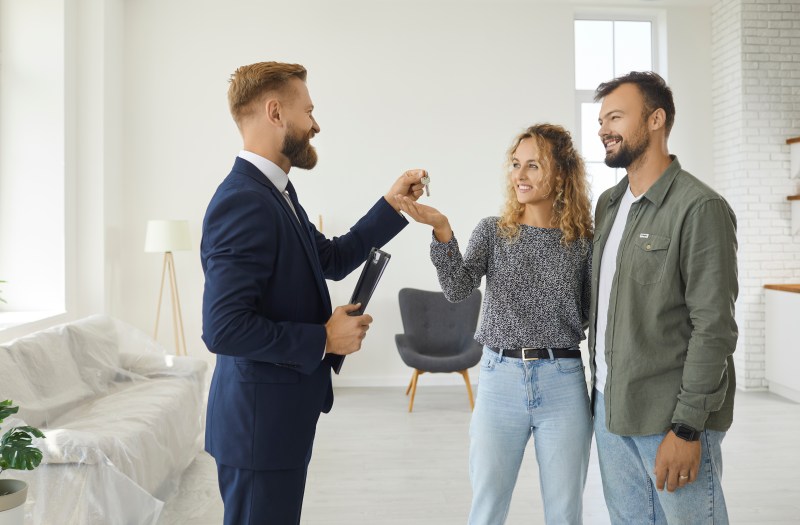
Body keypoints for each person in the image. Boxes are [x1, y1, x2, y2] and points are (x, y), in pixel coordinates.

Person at [200, 61, 426, 525]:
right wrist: (324, 339)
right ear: (276, 112)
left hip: (278, 423)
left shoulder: (277, 192)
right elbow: (223, 329)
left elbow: (333, 258)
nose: (316, 124)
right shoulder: (243, 200)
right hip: (258, 430)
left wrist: (391, 205)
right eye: (309, 111)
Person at [395, 124, 594, 524]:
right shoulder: (493, 231)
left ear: (560, 173)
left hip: (563, 381)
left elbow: (590, 311)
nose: (519, 175)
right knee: (487, 509)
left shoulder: (584, 242)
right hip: (500, 379)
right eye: (515, 164)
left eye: (533, 166)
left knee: (565, 512)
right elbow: (457, 289)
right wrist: (442, 230)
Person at [589, 71, 738, 524]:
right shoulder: (609, 205)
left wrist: (688, 427)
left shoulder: (699, 207)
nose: (602, 129)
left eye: (615, 116)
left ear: (656, 120)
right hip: (611, 409)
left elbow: (714, 326)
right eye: (600, 120)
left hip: (669, 420)